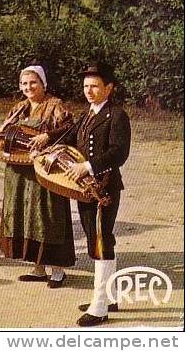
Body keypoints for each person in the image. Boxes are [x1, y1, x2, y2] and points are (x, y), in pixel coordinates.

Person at [64, 62, 131, 327]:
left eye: (94, 86)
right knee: (95, 238)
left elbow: (119, 152)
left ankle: (100, 306)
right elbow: (68, 136)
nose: (89, 91)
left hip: (105, 187)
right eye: (86, 86)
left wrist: (87, 166)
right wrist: (47, 139)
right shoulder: (87, 114)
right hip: (86, 188)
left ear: (109, 88)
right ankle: (109, 296)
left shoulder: (116, 116)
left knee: (102, 240)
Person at [0, 65, 75, 287]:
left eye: (33, 82)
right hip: (19, 172)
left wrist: (47, 136)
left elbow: (70, 128)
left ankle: (58, 270)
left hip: (45, 171)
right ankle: (38, 268)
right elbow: (3, 132)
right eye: (24, 83)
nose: (28, 87)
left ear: (43, 83)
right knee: (26, 216)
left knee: (48, 216)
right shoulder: (19, 108)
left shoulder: (55, 106)